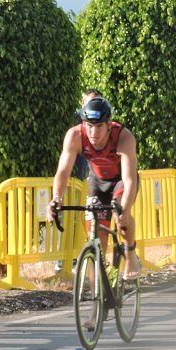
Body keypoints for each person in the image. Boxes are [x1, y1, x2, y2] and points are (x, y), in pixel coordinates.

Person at [47, 96, 142, 280]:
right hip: (97, 183)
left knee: (121, 214)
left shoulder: (123, 137)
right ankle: (100, 284)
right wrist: (56, 198)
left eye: (99, 126)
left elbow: (129, 180)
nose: (93, 132)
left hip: (121, 181)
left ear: (109, 125)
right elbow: (63, 172)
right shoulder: (75, 136)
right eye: (89, 126)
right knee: (97, 236)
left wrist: (125, 210)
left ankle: (130, 253)